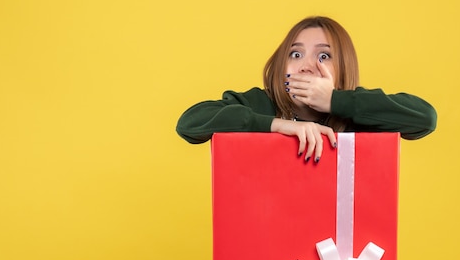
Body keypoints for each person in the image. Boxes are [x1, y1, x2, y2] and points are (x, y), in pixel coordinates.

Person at [176, 16, 437, 163]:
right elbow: (189, 124)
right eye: (296, 54)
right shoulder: (259, 102)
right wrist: (277, 125)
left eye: (324, 57)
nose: (307, 66)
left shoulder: (358, 111)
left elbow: (424, 119)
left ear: (343, 68)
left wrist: (336, 101)